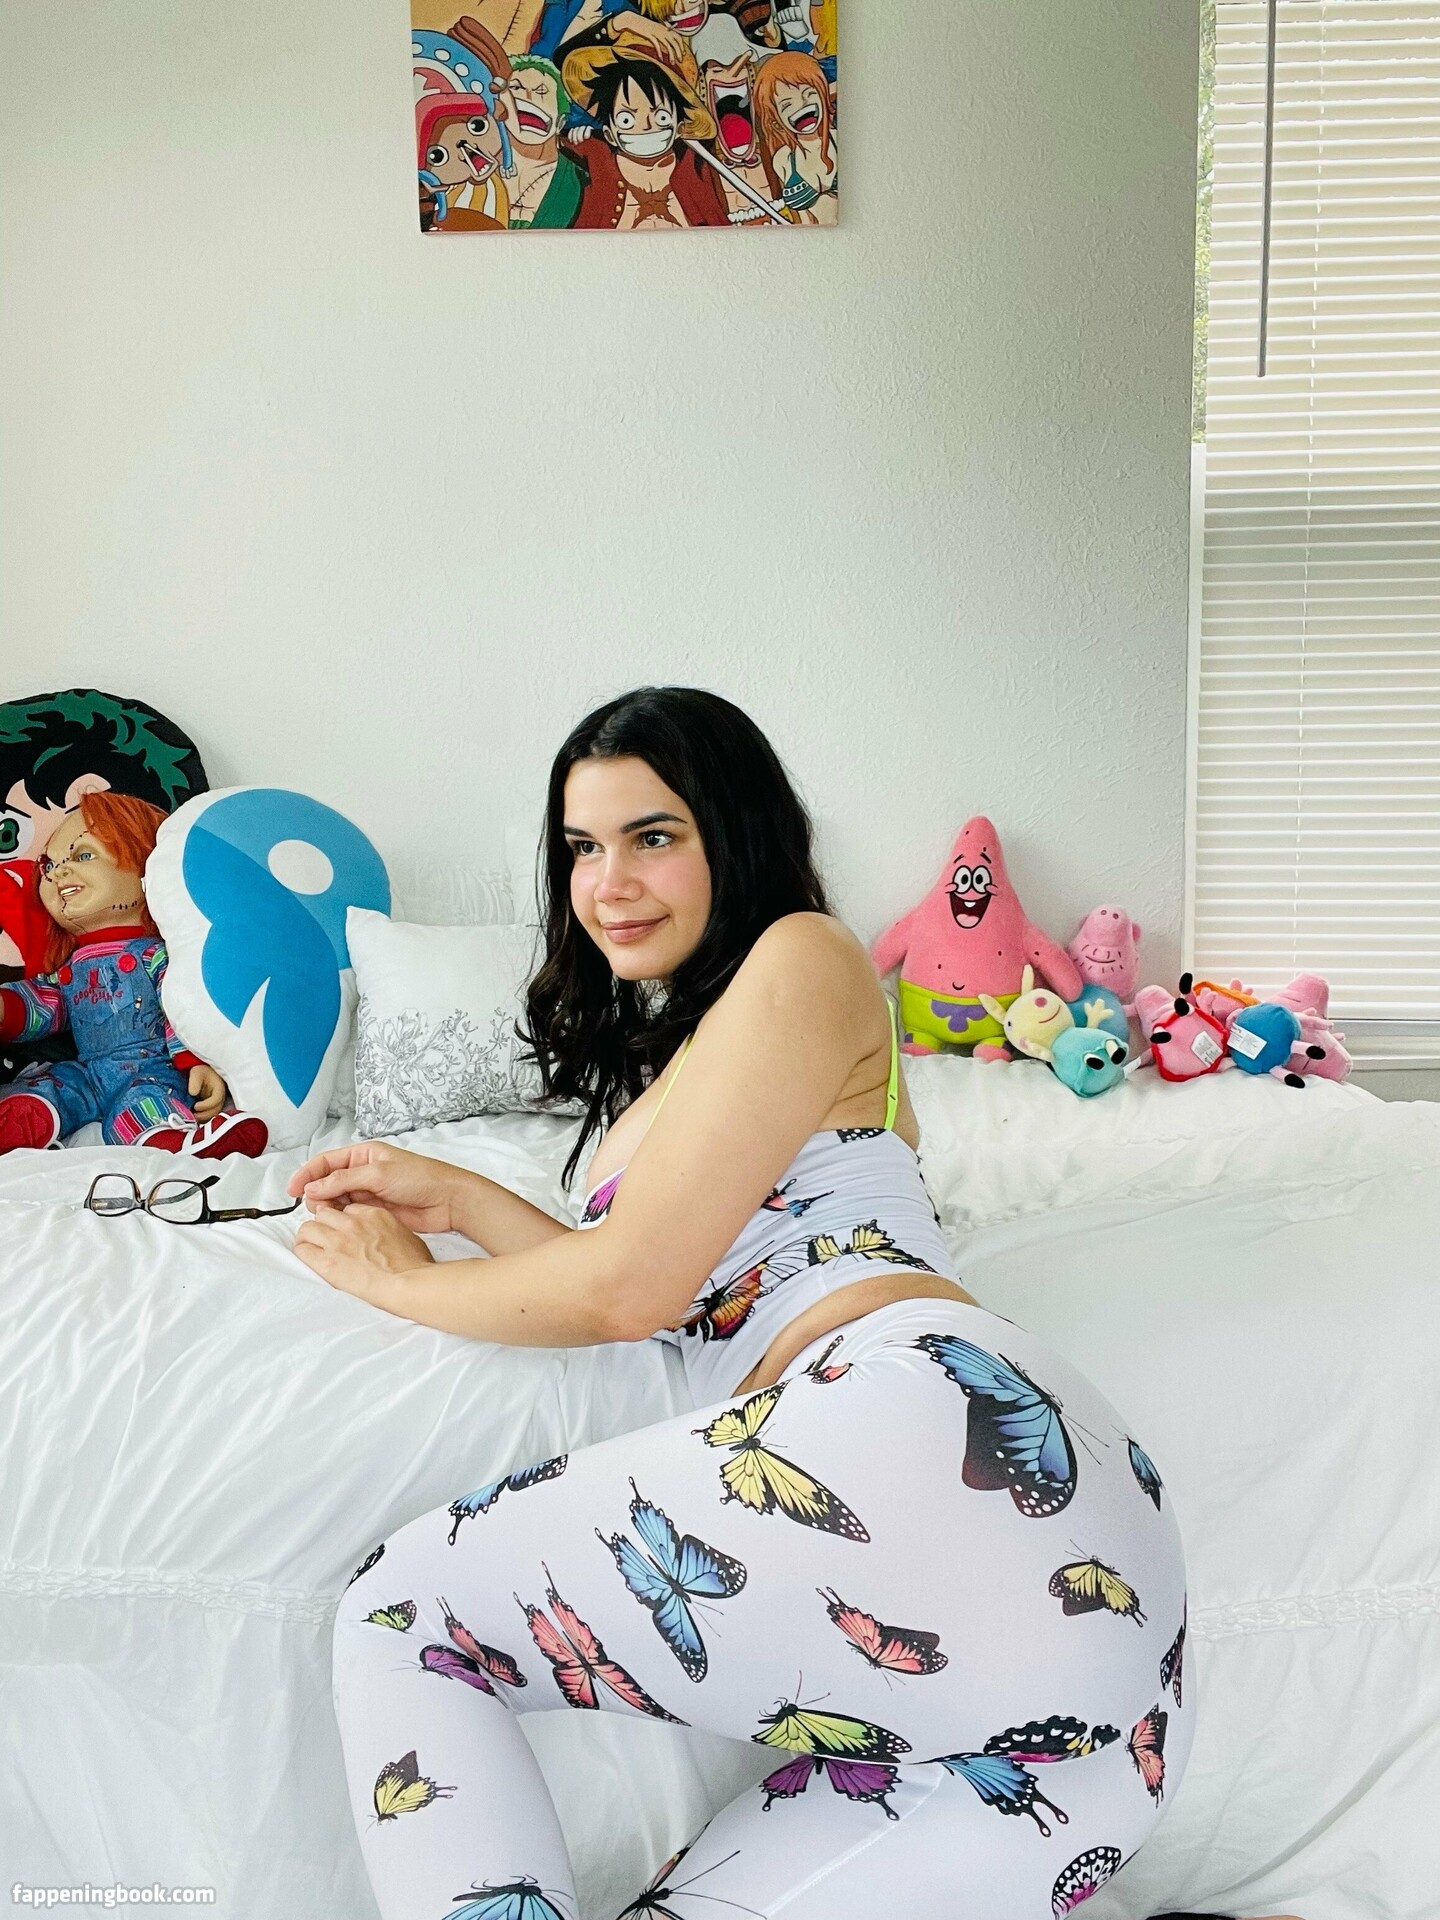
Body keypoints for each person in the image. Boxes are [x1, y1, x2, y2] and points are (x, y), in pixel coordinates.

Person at [297, 686, 1191, 1920]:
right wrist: (457, 1196)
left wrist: (403, 1283)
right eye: (582, 847)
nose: (608, 882)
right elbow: (678, 1289)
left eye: (653, 836)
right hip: (1085, 1677)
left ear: (739, 834)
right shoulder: (714, 1045)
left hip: (918, 1424)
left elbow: (629, 1291)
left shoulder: (807, 953)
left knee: (406, 1612)